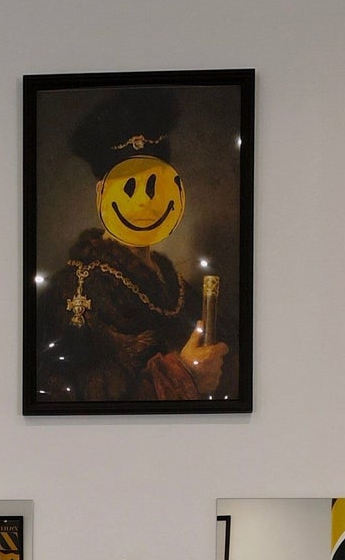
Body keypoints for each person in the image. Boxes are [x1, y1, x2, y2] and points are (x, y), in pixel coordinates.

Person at [45, 88, 230, 402]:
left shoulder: (176, 285)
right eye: (130, 186)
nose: (145, 201)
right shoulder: (79, 286)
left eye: (155, 184)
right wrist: (183, 375)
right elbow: (84, 396)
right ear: (102, 193)